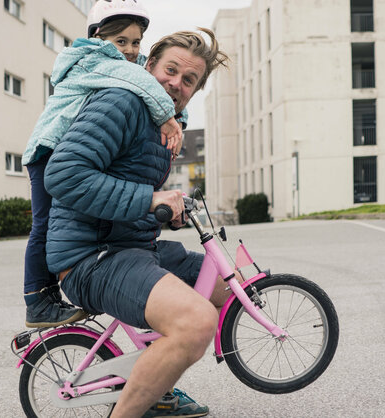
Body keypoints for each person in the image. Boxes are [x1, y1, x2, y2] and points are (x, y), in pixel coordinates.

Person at [45, 28, 229, 417]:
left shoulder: (164, 124)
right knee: (196, 323)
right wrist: (150, 199)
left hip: (133, 248)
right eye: (170, 69)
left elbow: (127, 190)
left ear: (195, 91)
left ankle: (157, 390)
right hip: (91, 257)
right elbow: (63, 174)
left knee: (233, 283)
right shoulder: (122, 102)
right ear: (148, 66)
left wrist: (169, 211)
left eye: (188, 79)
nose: (175, 83)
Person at [21, 0, 187, 328]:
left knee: (48, 223)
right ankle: (36, 299)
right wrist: (168, 116)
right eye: (120, 41)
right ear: (98, 37)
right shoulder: (92, 59)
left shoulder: (125, 67)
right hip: (47, 152)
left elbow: (142, 83)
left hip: (62, 148)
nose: (128, 49)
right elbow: (139, 81)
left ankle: (47, 296)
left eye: (136, 42)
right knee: (43, 225)